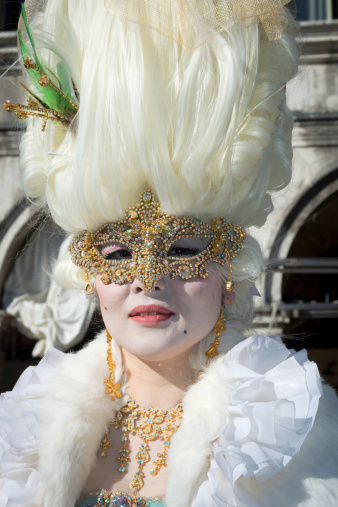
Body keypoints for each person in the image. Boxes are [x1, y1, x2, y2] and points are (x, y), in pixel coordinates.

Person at [1, 1, 338, 506]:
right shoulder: (23, 429)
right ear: (88, 271)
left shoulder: (294, 437)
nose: (147, 279)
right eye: (116, 253)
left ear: (231, 265)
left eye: (181, 248)